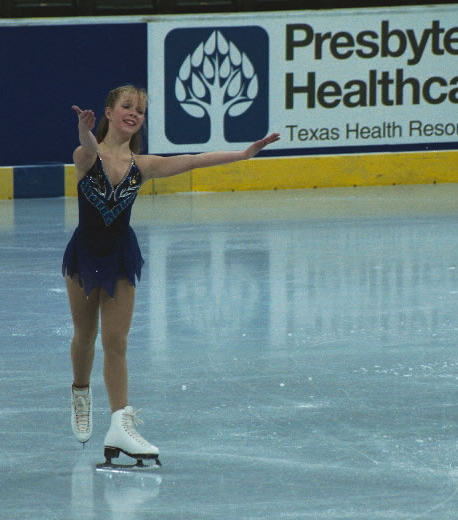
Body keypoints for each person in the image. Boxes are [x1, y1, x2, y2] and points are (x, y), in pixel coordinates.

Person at [63, 84, 279, 467]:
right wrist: (84, 130)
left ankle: (120, 423)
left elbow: (194, 160)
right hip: (85, 254)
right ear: (109, 112)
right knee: (85, 334)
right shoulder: (87, 157)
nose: (134, 113)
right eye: (127, 106)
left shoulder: (143, 166)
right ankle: (81, 393)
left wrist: (243, 154)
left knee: (116, 341)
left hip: (121, 256)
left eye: (140, 110)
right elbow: (88, 149)